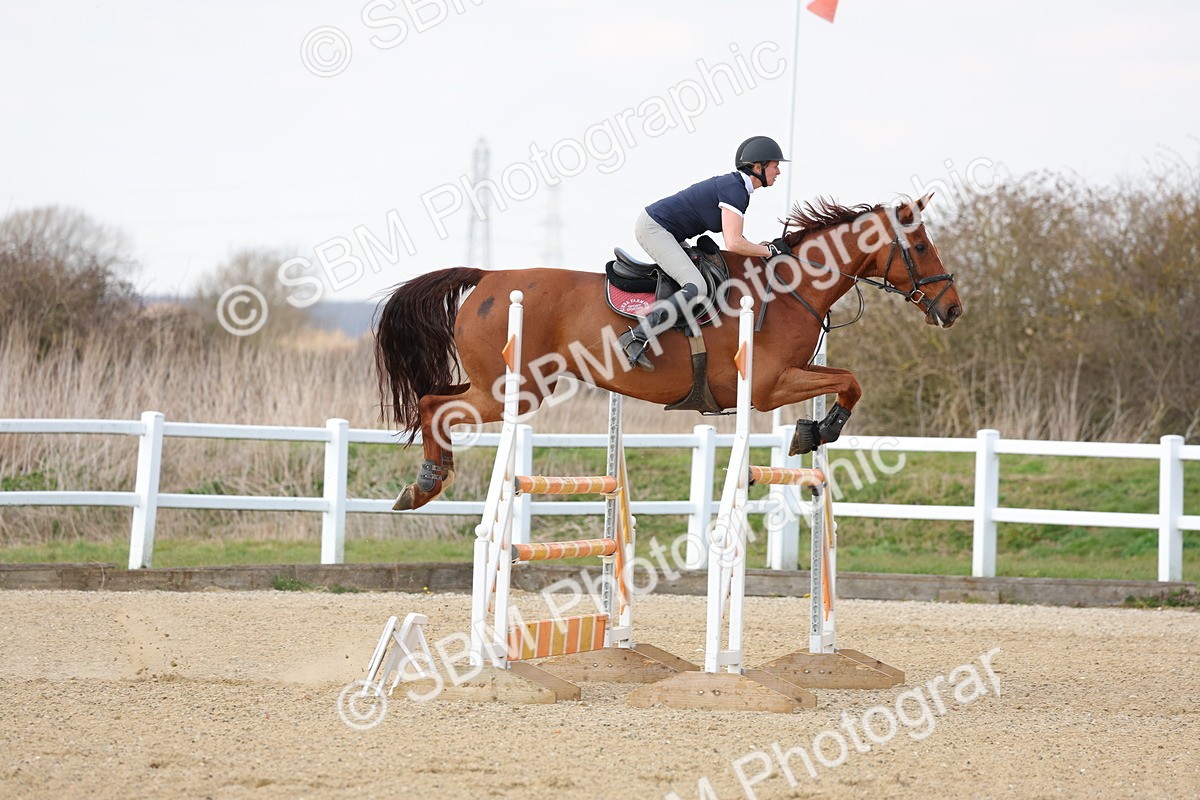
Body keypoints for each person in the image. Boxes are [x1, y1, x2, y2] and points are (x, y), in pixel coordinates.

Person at [619, 135, 792, 371]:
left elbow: (737, 240)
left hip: (668, 231)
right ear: (757, 168)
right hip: (655, 228)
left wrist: (763, 249)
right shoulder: (735, 190)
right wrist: (769, 251)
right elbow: (734, 243)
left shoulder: (737, 188)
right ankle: (636, 337)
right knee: (696, 286)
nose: (778, 172)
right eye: (775, 166)